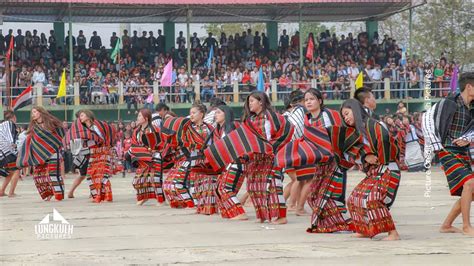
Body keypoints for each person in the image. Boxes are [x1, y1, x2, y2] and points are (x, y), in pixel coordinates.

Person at [205, 91, 293, 224]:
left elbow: (288, 129)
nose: (249, 104)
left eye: (252, 101)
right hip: (255, 159)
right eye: (248, 101)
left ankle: (281, 216)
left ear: (261, 102)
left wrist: (272, 147)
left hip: (269, 158)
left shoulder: (271, 116)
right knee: (254, 187)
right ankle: (264, 215)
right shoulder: (250, 120)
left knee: (272, 185)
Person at [422, 72, 474, 236]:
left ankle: (446, 225)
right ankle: (466, 226)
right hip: (447, 150)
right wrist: (436, 145)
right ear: (469, 87)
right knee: (470, 183)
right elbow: (427, 119)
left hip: (463, 151)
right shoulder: (448, 102)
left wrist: (468, 137)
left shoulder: (472, 108)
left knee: (471, 190)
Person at [341, 99, 401, 240]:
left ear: (355, 110)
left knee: (373, 199)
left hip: (388, 169)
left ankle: (393, 233)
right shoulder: (354, 133)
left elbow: (386, 141)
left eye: (347, 113)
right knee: (353, 199)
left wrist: (379, 158)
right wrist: (365, 157)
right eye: (344, 116)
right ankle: (363, 229)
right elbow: (351, 153)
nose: (346, 118)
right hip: (374, 172)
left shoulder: (375, 125)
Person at [163, 102, 214, 209]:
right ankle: (194, 205)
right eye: (190, 113)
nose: (191, 115)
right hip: (193, 160)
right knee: (194, 186)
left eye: (194, 113)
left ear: (201, 114)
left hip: (205, 160)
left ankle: (206, 207)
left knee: (206, 185)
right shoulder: (187, 128)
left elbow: (211, 144)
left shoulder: (209, 128)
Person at [17, 107, 65, 201]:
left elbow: (61, 132)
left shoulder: (51, 122)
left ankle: (59, 194)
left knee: (53, 174)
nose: (33, 114)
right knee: (38, 175)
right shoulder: (34, 127)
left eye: (35, 112)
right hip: (40, 154)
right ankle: (49, 192)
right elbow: (31, 141)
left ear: (41, 112)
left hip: (53, 152)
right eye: (32, 113)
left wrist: (57, 143)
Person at [71, 109, 116, 203]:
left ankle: (107, 196)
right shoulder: (85, 129)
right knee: (91, 175)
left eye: (82, 115)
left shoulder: (95, 127)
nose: (80, 117)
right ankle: (97, 195)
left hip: (102, 152)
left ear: (87, 116)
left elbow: (102, 139)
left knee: (102, 175)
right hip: (93, 153)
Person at [127, 109, 165, 206]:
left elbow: (161, 143)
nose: (137, 118)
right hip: (142, 158)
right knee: (138, 180)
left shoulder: (155, 129)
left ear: (146, 118)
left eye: (139, 116)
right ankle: (144, 197)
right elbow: (134, 145)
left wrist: (153, 150)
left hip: (155, 156)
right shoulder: (136, 131)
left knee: (155, 179)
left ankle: (161, 200)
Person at [0, 111, 20, 197]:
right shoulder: (9, 124)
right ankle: (11, 193)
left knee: (10, 171)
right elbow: (11, 139)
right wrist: (16, 148)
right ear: (14, 117)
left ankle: (1, 191)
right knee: (16, 170)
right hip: (5, 151)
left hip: (3, 151)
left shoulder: (2, 125)